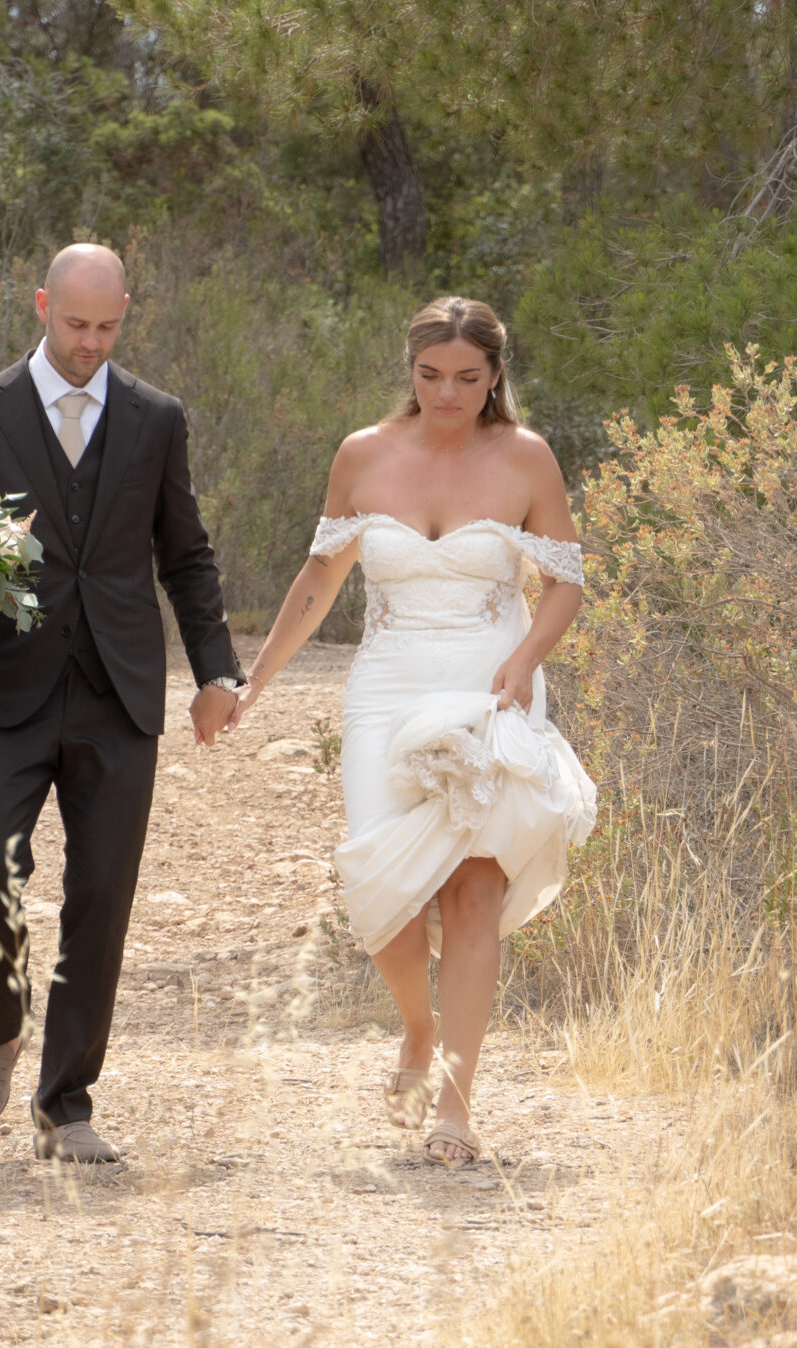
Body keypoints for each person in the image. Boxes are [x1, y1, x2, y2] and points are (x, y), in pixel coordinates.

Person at [231, 296, 594, 1165]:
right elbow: (320, 578)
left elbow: (566, 583)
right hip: (386, 689)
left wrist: (526, 660)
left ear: (495, 375)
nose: (447, 394)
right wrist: (256, 681)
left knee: (473, 890)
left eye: (467, 377)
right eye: (431, 376)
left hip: (488, 687)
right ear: (411, 371)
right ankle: (419, 1026)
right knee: (380, 884)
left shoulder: (526, 457)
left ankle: (456, 1108)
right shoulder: (363, 454)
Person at [0, 243, 245, 1164]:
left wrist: (217, 673)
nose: (90, 343)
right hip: (6, 688)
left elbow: (185, 554)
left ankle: (65, 1105)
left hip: (119, 689)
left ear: (125, 312)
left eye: (107, 326)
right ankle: (0, 1028)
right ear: (41, 306)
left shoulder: (156, 418)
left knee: (101, 895)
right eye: (74, 325)